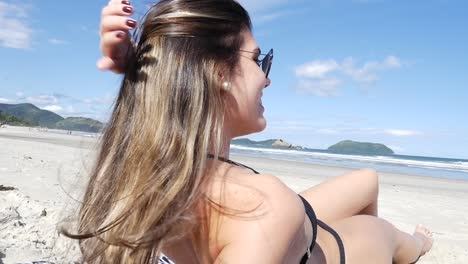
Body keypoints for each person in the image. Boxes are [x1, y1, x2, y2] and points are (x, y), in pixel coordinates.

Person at [64, 0, 433, 263]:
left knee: (366, 178)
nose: (266, 78)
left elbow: (142, 134)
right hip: (353, 248)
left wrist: (140, 79)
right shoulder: (263, 204)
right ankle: (419, 243)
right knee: (394, 237)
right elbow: (265, 217)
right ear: (220, 75)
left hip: (300, 231)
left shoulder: (148, 180)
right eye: (258, 59)